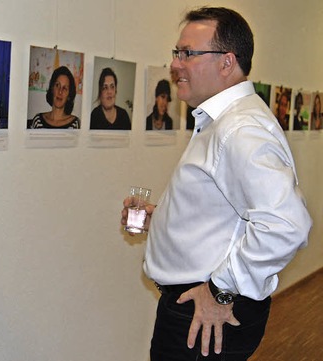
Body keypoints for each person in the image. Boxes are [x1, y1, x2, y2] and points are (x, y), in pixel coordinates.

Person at [122, 7, 311, 361]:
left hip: (205, 315)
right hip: (196, 308)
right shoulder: (222, 121)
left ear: (227, 63)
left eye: (187, 54)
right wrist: (162, 219)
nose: (176, 64)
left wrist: (222, 291)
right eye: (176, 53)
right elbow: (224, 213)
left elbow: (287, 225)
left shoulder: (240, 130)